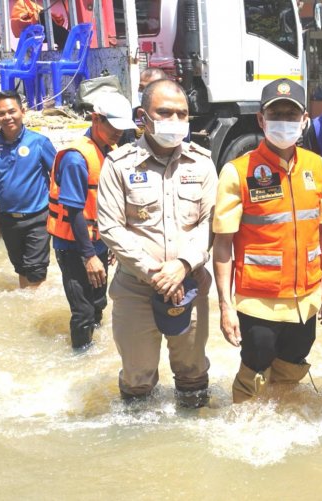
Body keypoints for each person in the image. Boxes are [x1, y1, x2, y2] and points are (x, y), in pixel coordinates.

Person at [213, 78, 322, 403]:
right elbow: (223, 244)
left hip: (306, 299)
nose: (284, 121)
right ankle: (244, 427)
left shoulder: (318, 167)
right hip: (259, 300)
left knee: (293, 364)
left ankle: (281, 419)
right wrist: (225, 305)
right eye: (276, 113)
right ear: (261, 120)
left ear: (304, 120)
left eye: (291, 114)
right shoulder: (238, 172)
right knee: (255, 366)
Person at [98, 79, 217, 406]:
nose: (175, 121)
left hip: (189, 285)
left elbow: (211, 222)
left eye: (182, 114)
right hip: (136, 288)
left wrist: (182, 266)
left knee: (192, 373)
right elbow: (110, 227)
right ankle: (138, 450)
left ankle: (193, 443)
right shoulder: (118, 165)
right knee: (138, 377)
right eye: (165, 112)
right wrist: (156, 273)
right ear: (143, 117)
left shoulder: (203, 163)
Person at [47, 92, 136, 349]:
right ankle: (79, 358)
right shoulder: (76, 159)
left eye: (123, 128)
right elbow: (74, 210)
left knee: (99, 303)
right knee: (83, 312)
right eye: (114, 127)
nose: (119, 133)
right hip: (75, 247)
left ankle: (94, 352)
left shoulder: (110, 149)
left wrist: (111, 243)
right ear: (96, 119)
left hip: (98, 243)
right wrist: (89, 257)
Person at [0, 90, 57, 288]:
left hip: (38, 217)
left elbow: (59, 176)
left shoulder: (39, 143)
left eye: (12, 111)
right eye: (1, 113)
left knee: (36, 271)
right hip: (8, 219)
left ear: (22, 111)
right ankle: (27, 306)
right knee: (21, 268)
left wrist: (62, 213)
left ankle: (35, 315)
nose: (7, 117)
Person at [118, 67, 168, 147]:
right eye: (141, 88)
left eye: (150, 88)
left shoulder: (173, 120)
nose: (144, 92)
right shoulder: (127, 117)